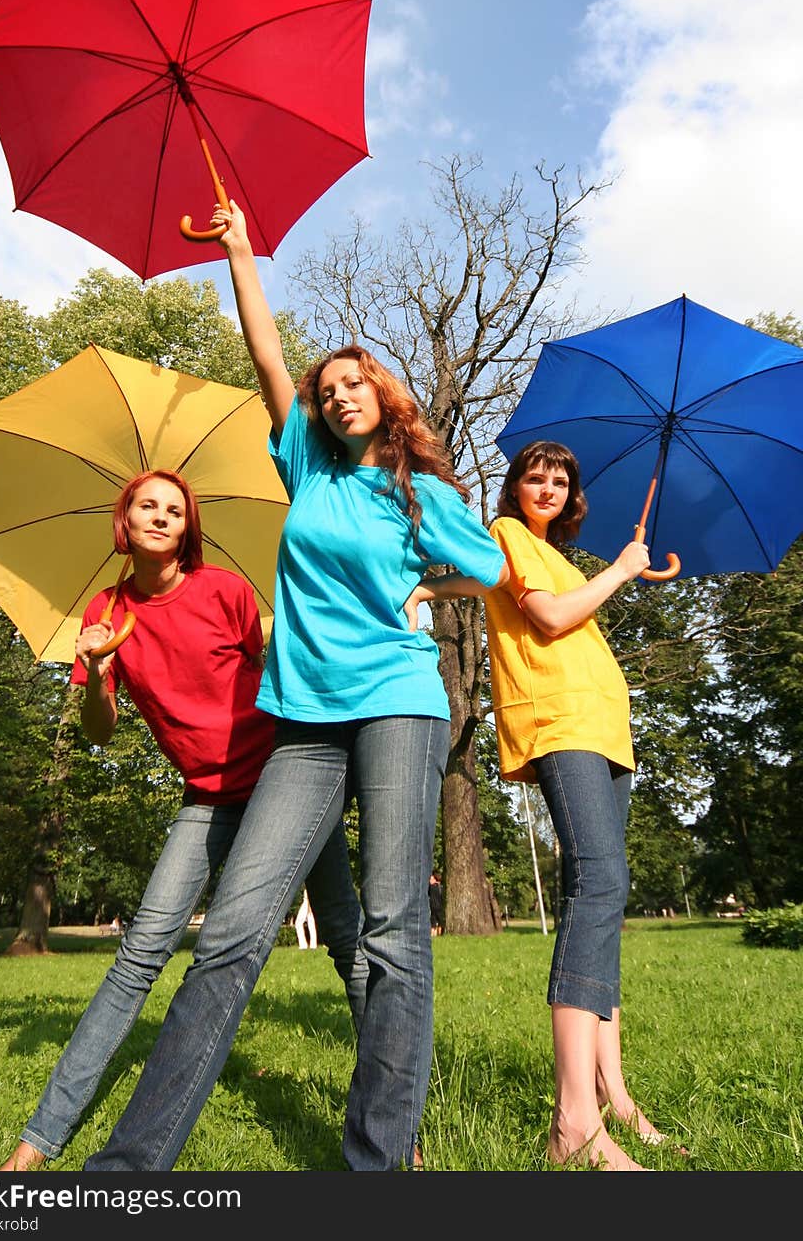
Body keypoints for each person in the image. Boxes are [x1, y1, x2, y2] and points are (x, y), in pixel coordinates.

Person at [81, 201, 508, 1173]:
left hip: (400, 703)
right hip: (304, 719)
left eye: (356, 383)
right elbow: (268, 355)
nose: (340, 393)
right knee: (232, 929)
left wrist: (417, 585)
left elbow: (483, 567)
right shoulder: (308, 464)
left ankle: (376, 1163)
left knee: (395, 925)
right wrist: (239, 251)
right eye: (330, 386)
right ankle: (127, 1170)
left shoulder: (418, 491)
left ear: (384, 396)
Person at [0, 468, 366, 1171]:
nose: (162, 517)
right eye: (148, 506)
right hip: (206, 795)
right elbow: (100, 733)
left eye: (175, 508)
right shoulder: (105, 615)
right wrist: (102, 670)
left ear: (187, 525)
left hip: (283, 780)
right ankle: (36, 1142)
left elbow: (276, 675)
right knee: (138, 955)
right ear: (125, 521)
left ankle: (390, 1110)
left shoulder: (223, 589)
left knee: (345, 936)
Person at [478, 439, 668, 1169]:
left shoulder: (553, 554)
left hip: (607, 727)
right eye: (536, 475)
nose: (549, 485)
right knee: (597, 886)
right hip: (560, 723)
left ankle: (614, 1095)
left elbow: (496, 590)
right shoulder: (507, 535)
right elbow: (552, 619)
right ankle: (573, 1123)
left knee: (604, 896)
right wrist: (620, 572)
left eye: (561, 477)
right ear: (516, 487)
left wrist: (614, 569)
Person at [428, 872, 444, 937]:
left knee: (433, 921)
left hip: (432, 906)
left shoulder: (431, 887)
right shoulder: (441, 887)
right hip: (439, 906)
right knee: (440, 921)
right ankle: (439, 934)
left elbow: (428, 893)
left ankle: (433, 934)